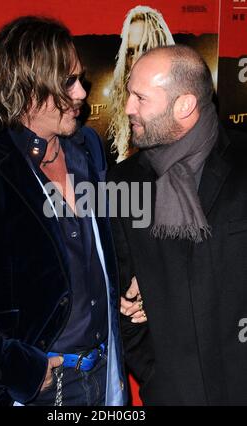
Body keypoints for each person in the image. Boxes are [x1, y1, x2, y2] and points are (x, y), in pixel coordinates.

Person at [0, 16, 126, 406]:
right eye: (67, 82)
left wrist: (123, 287)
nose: (81, 93)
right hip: (36, 390)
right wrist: (20, 370)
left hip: (103, 372)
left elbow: (95, 252)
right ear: (26, 90)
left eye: (80, 79)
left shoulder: (87, 147)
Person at [109, 44, 247, 405]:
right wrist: (157, 375)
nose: (128, 108)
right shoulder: (122, 183)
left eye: (140, 97)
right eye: (128, 94)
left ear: (184, 105)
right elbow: (122, 298)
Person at [107, 5, 174, 162]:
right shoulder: (128, 109)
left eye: (144, 49)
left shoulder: (180, 111)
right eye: (131, 52)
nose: (136, 61)